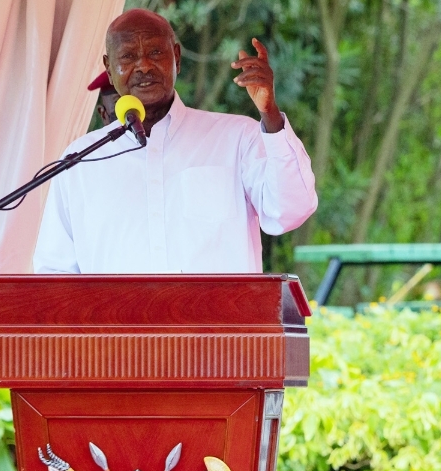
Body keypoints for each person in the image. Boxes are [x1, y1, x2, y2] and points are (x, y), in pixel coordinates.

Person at [33, 9, 317, 274]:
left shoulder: (237, 138)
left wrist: (270, 113)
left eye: (155, 52)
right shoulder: (79, 160)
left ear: (177, 58)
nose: (143, 65)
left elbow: (289, 211)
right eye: (129, 56)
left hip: (219, 327)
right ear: (109, 68)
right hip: (118, 329)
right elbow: (54, 274)